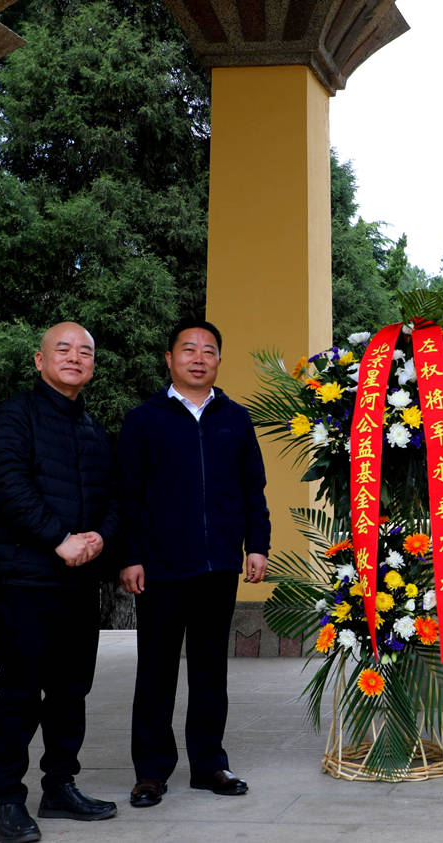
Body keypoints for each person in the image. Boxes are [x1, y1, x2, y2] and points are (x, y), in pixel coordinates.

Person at [117, 317, 269, 808]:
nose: (198, 358)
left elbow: (253, 491)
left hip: (218, 568)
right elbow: (128, 496)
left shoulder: (236, 419)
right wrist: (131, 556)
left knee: (210, 672)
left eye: (208, 350)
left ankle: (209, 765)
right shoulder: (144, 420)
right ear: (169, 359)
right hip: (159, 568)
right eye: (188, 349)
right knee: (156, 672)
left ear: (219, 360)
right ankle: (151, 772)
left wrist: (256, 546)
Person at [0, 322, 119, 843]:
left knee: (70, 692)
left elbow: (114, 497)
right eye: (63, 349)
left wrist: (100, 539)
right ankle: (5, 802)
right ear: (40, 361)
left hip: (78, 585)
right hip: (24, 580)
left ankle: (60, 786)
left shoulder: (93, 428)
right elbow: (8, 485)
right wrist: (60, 539)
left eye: (85, 351)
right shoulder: (13, 416)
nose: (75, 358)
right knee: (18, 692)